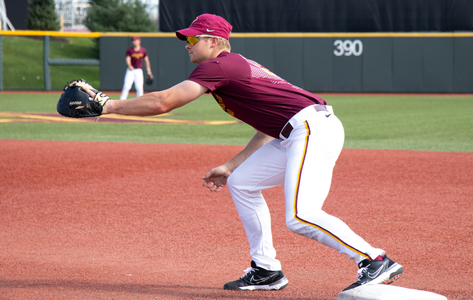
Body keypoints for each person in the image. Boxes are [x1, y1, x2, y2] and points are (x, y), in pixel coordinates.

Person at [87, 14, 404, 292]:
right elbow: (270, 125)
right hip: (295, 131)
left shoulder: (220, 65)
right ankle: (266, 270)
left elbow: (163, 102)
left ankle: (374, 260)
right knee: (242, 182)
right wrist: (231, 165)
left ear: (213, 41)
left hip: (311, 129)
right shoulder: (232, 66)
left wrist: (109, 105)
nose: (187, 44)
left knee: (300, 215)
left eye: (192, 39)